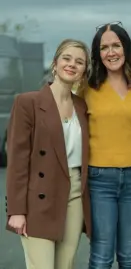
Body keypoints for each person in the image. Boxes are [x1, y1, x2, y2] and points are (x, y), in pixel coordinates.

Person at [5, 39, 91, 269]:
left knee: (66, 265)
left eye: (79, 61)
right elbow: (17, 161)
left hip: (74, 195)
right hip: (38, 197)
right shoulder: (27, 102)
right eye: (67, 58)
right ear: (55, 64)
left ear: (84, 71)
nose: (72, 64)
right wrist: (16, 211)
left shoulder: (82, 106)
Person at [79, 22, 131, 269]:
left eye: (116, 45)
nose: (111, 52)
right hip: (99, 178)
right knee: (102, 255)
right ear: (97, 53)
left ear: (126, 48)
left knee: (129, 255)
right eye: (104, 47)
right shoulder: (86, 87)